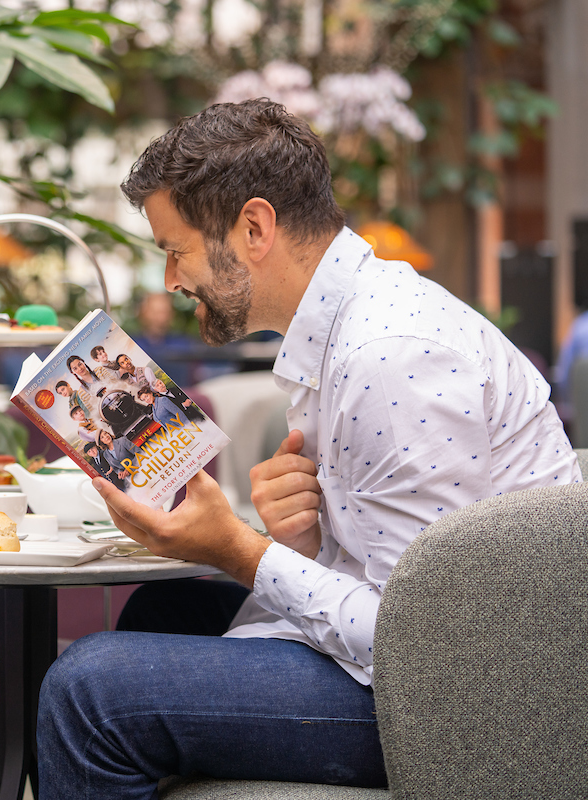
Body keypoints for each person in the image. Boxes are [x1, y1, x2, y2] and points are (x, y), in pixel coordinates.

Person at [37, 99, 580, 798]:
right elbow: (395, 569)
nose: (172, 280)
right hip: (435, 651)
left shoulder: (390, 354)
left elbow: (417, 641)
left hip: (473, 704)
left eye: (177, 251)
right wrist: (297, 541)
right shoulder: (348, 327)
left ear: (254, 227)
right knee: (158, 614)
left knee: (89, 691)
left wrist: (238, 549)